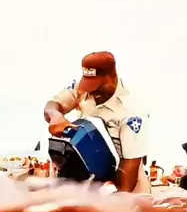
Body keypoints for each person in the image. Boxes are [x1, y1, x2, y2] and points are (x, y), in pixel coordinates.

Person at [44, 51, 150, 193]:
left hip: (125, 182)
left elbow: (130, 165)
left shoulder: (132, 109)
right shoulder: (80, 88)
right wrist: (55, 116)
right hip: (91, 175)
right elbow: (53, 104)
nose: (91, 92)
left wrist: (119, 200)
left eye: (96, 86)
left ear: (111, 78)